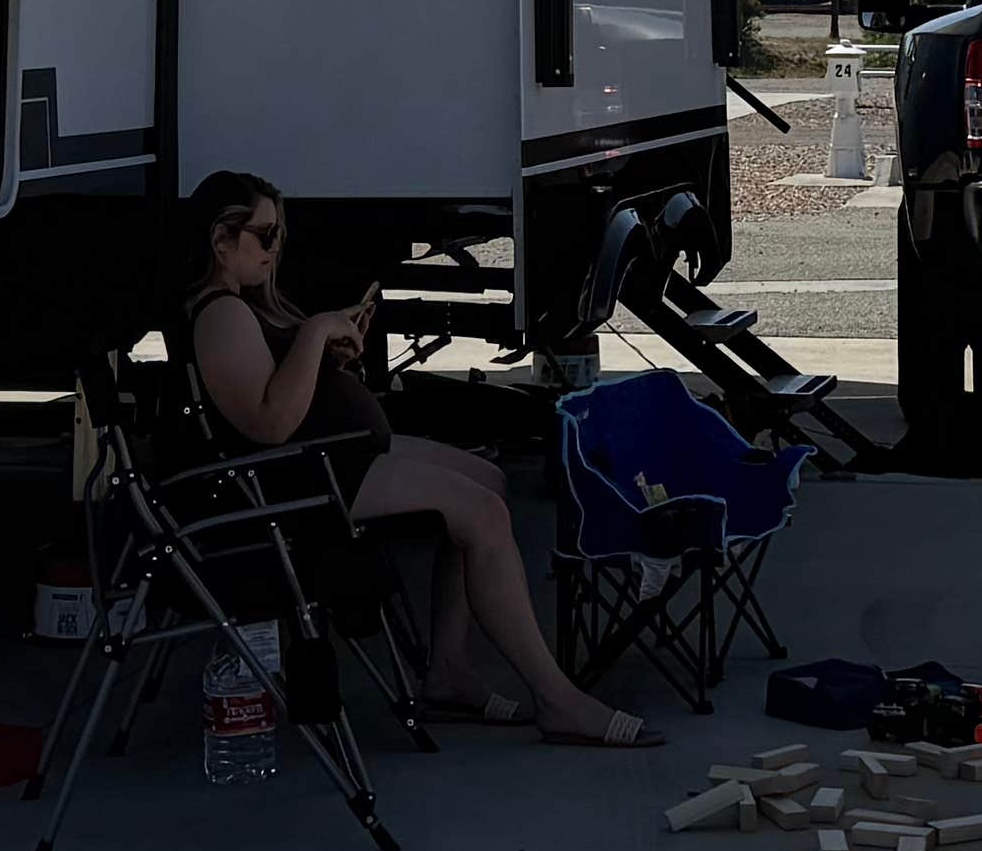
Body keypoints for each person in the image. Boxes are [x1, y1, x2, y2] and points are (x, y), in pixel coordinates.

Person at [175, 169, 658, 749]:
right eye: (264, 236)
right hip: (304, 479)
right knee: (481, 513)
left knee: (489, 479)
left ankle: (448, 670)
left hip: (337, 455)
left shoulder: (252, 304)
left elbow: (293, 393)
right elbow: (268, 424)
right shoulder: (219, 314)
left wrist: (332, 353)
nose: (275, 251)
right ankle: (555, 697)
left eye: (280, 235)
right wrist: (315, 334)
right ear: (221, 240)